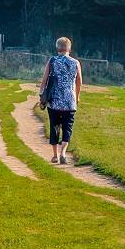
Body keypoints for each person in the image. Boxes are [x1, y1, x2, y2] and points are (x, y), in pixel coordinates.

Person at [38, 37, 83, 165]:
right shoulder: (75, 62)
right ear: (69, 48)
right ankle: (63, 152)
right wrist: (77, 96)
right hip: (70, 101)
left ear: (57, 48)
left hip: (54, 101)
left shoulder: (52, 61)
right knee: (67, 128)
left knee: (55, 127)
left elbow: (44, 80)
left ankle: (55, 155)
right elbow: (79, 81)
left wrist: (41, 96)